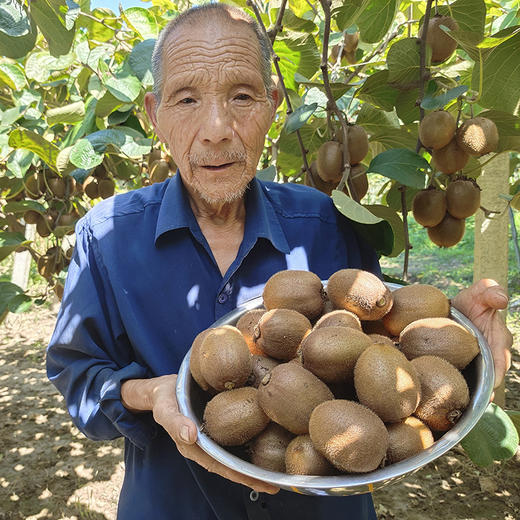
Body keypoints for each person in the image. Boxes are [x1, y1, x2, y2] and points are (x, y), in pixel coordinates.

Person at [47, 4, 513, 519]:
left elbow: (383, 337)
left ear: (272, 106)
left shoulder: (332, 221)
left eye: (242, 96)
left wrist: (461, 331)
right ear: (155, 115)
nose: (217, 128)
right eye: (186, 99)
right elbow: (78, 377)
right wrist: (144, 394)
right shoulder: (107, 236)